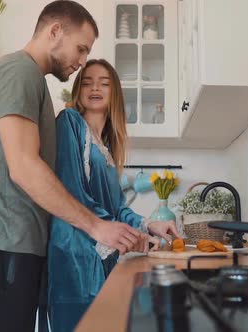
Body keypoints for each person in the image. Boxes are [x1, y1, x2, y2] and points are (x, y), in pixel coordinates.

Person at [0, 2, 148, 331]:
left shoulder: (32, 80)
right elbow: (22, 166)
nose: (81, 61)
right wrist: (96, 226)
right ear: (55, 31)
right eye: (81, 49)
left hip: (14, 246)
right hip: (4, 244)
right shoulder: (19, 72)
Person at [47, 59, 181, 332]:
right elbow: (72, 193)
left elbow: (118, 208)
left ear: (115, 93)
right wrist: (130, 237)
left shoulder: (106, 147)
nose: (95, 88)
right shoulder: (69, 122)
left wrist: (148, 225)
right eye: (87, 82)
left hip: (102, 257)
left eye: (104, 83)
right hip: (74, 258)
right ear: (78, 90)